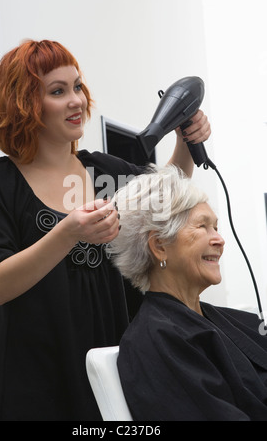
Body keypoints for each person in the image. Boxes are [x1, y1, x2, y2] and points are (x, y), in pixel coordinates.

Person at [0, 39, 211, 421]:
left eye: (77, 86)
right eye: (57, 91)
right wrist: (67, 233)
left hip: (110, 364)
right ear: (24, 103)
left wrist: (184, 140)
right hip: (32, 376)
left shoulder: (105, 171)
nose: (76, 100)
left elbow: (167, 194)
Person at [110, 165, 267, 421]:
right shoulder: (157, 342)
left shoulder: (229, 321)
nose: (219, 239)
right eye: (202, 226)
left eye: (216, 227)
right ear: (160, 245)